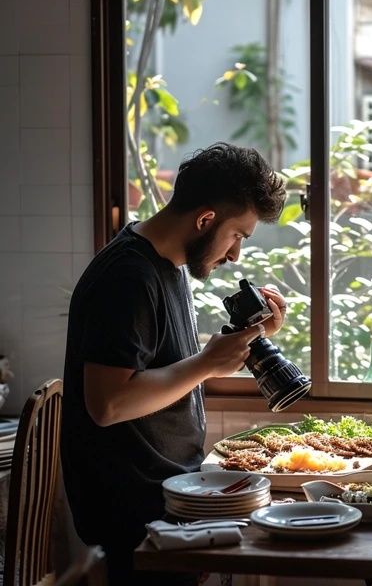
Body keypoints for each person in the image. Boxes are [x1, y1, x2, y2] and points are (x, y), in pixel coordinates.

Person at [61, 142, 288, 585]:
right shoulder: (128, 277)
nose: (236, 254)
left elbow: (157, 368)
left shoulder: (168, 265)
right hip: (134, 516)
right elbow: (107, 404)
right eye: (238, 235)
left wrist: (242, 342)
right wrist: (205, 364)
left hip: (173, 497)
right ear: (205, 220)